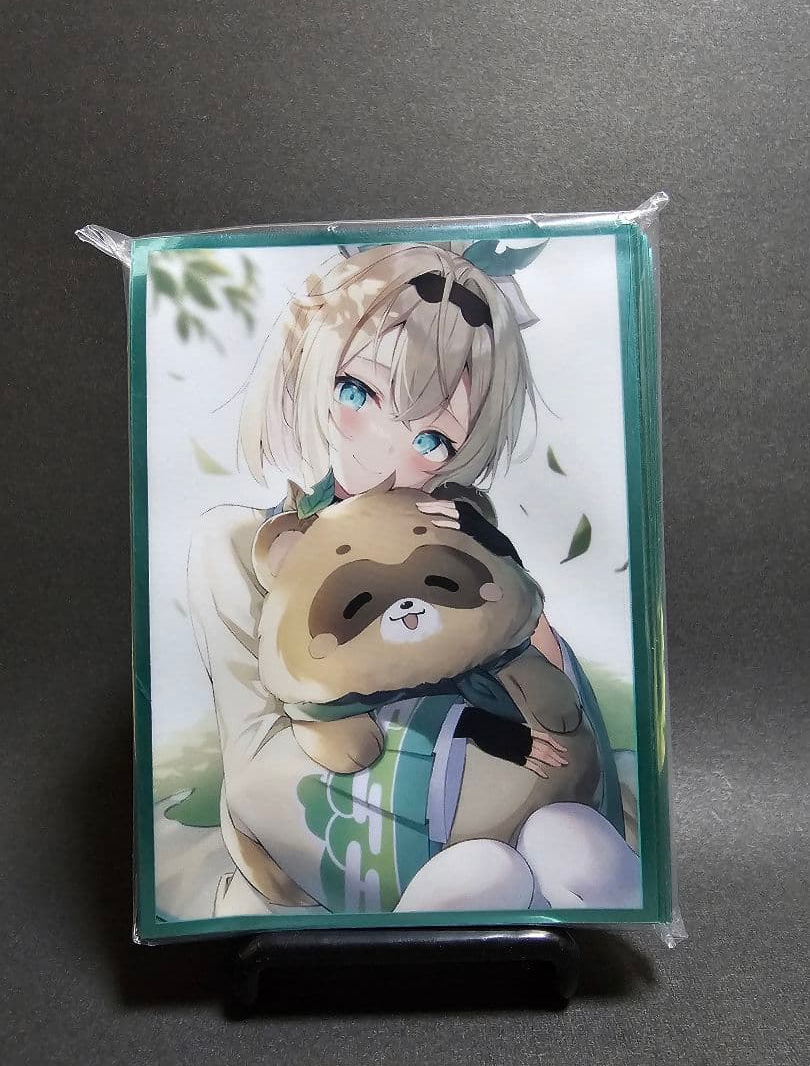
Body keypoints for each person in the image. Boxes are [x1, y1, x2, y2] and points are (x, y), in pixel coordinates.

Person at [188, 243, 630, 916]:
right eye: (357, 393)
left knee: (576, 845)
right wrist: (461, 737)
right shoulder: (240, 544)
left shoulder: (460, 538)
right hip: (341, 816)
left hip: (517, 800)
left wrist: (512, 595)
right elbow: (257, 766)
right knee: (486, 874)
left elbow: (561, 722)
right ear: (310, 372)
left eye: (431, 441)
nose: (385, 451)